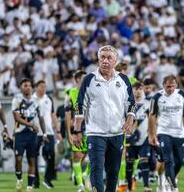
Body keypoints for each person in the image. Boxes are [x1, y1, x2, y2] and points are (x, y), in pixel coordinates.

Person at [74, 45, 136, 192]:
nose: (105, 61)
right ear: (98, 59)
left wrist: (130, 118)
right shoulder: (89, 79)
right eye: (102, 57)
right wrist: (76, 130)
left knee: (113, 172)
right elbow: (79, 105)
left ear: (115, 61)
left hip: (117, 133)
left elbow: (132, 103)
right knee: (96, 168)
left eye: (109, 58)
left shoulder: (123, 79)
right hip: (95, 134)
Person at [148, 74, 184, 192]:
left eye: (173, 86)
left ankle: (167, 178)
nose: (170, 89)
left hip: (179, 133)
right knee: (168, 160)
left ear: (176, 85)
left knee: (179, 161)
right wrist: (152, 134)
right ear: (163, 86)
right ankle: (173, 187)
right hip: (163, 132)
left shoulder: (181, 95)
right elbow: (151, 117)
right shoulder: (156, 97)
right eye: (168, 87)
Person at [12, 78, 48, 191]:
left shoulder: (36, 101)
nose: (27, 87)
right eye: (25, 85)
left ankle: (29, 186)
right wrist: (31, 125)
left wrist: (45, 133)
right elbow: (17, 118)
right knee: (18, 159)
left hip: (33, 135)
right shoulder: (17, 99)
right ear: (21, 87)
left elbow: (41, 119)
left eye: (29, 85)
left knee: (32, 160)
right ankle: (19, 179)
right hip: (19, 134)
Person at [64, 70, 91, 192]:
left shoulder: (91, 92)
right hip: (78, 130)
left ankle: (86, 174)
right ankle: (80, 185)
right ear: (77, 80)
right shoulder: (70, 94)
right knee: (77, 156)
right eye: (83, 78)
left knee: (94, 156)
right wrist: (69, 134)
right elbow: (68, 115)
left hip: (92, 129)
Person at [33, 80, 62, 189]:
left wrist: (58, 131)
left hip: (49, 132)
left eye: (45, 87)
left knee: (51, 156)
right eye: (41, 86)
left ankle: (47, 179)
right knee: (33, 157)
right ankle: (35, 181)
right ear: (36, 87)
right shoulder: (31, 99)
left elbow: (53, 115)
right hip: (35, 132)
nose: (44, 88)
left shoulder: (48, 99)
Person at [125, 81, 152, 192]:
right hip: (129, 137)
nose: (138, 91)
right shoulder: (126, 104)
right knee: (129, 162)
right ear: (132, 90)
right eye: (135, 89)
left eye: (140, 89)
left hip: (144, 137)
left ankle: (146, 186)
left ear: (142, 90)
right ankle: (130, 186)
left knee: (144, 160)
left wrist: (151, 133)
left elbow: (152, 119)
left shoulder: (148, 103)